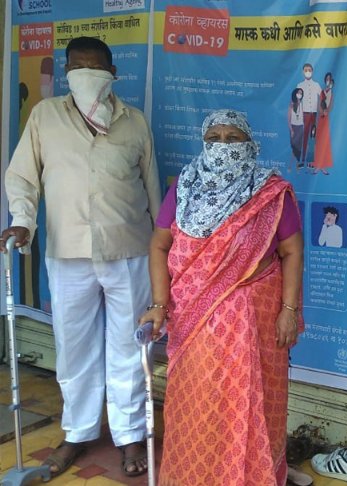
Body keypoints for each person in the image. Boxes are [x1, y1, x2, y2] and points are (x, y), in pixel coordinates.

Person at [1, 36, 159, 478]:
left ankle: (129, 435)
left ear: (113, 74)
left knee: (131, 346)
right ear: (67, 73)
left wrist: (163, 249)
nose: (87, 74)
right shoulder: (45, 117)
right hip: (68, 251)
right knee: (74, 348)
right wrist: (22, 221)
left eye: (96, 67)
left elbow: (152, 188)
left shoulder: (134, 122)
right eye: (78, 67)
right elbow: (23, 177)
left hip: (129, 249)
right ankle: (78, 431)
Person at [138, 109, 304, 486]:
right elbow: (160, 245)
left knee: (250, 405)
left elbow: (292, 251)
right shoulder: (184, 187)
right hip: (194, 325)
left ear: (249, 143)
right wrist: (159, 304)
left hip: (255, 325)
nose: (223, 146)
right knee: (199, 403)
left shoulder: (269, 192)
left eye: (233, 138)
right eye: (214, 138)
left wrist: (289, 310)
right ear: (203, 143)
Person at [296, 63, 322, 168]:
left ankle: (310, 162)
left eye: (309, 70)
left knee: (312, 137)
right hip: (304, 114)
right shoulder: (300, 85)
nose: (308, 72)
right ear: (303, 72)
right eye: (306, 70)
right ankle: (302, 160)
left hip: (314, 114)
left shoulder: (316, 85)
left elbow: (322, 96)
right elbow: (297, 101)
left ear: (312, 71)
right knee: (304, 137)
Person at [311, 72, 334, 175]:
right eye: (327, 79)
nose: (328, 81)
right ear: (325, 80)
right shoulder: (322, 93)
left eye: (330, 79)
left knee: (325, 142)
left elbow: (331, 106)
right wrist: (322, 112)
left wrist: (327, 111)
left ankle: (323, 166)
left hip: (326, 119)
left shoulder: (331, 94)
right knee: (319, 141)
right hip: (320, 119)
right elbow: (318, 105)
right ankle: (317, 166)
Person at [288, 87, 305, 170]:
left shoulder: (302, 104)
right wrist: (291, 130)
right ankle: (291, 165)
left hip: (301, 127)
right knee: (294, 147)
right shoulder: (291, 104)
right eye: (298, 93)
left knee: (299, 147)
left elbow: (303, 116)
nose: (300, 94)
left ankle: (298, 164)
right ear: (295, 94)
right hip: (294, 128)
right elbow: (288, 119)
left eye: (301, 93)